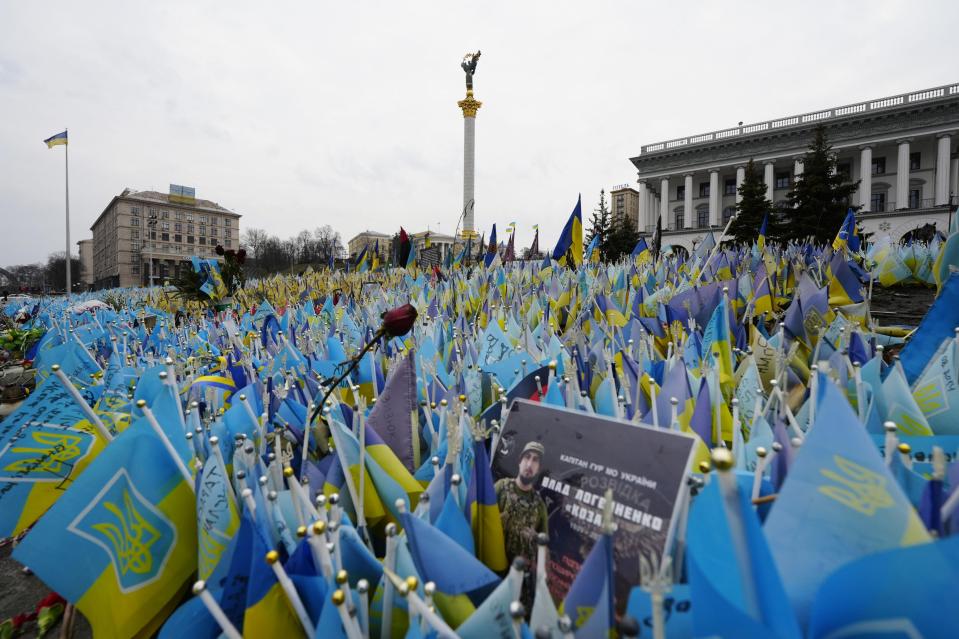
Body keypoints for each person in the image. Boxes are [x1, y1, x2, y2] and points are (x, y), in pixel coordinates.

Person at [495, 441, 548, 566]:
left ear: (538, 468)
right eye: (527, 457)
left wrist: (535, 538)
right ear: (520, 461)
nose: (529, 464)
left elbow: (544, 549)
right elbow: (481, 519)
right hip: (493, 563)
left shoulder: (540, 506)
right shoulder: (501, 487)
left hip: (520, 573)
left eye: (535, 460)